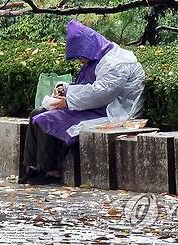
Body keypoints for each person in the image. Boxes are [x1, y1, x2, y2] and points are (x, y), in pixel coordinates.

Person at [19, 19, 145, 185]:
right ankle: (33, 167)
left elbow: (101, 93)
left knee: (48, 118)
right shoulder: (98, 58)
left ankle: (50, 170)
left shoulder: (117, 63)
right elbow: (87, 87)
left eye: (80, 57)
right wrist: (65, 89)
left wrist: (68, 100)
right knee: (37, 113)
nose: (80, 61)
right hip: (92, 106)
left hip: (111, 112)